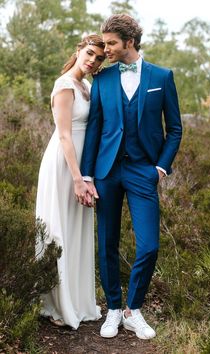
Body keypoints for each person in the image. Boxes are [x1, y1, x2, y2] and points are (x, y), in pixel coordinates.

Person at [81, 14, 182, 340]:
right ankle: (112, 308)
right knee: (106, 243)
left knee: (149, 245)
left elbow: (175, 129)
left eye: (111, 43)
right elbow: (95, 128)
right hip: (106, 172)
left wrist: (161, 167)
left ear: (129, 42)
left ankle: (132, 310)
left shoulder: (162, 77)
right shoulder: (103, 80)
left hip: (143, 171)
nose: (105, 49)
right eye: (104, 42)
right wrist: (87, 174)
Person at [35, 34, 105, 330]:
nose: (92, 60)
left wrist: (88, 175)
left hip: (82, 167)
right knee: (59, 229)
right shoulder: (64, 85)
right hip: (64, 165)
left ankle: (76, 299)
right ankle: (55, 303)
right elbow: (64, 135)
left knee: (77, 229)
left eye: (99, 58)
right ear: (79, 50)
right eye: (90, 53)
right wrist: (78, 179)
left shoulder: (87, 86)